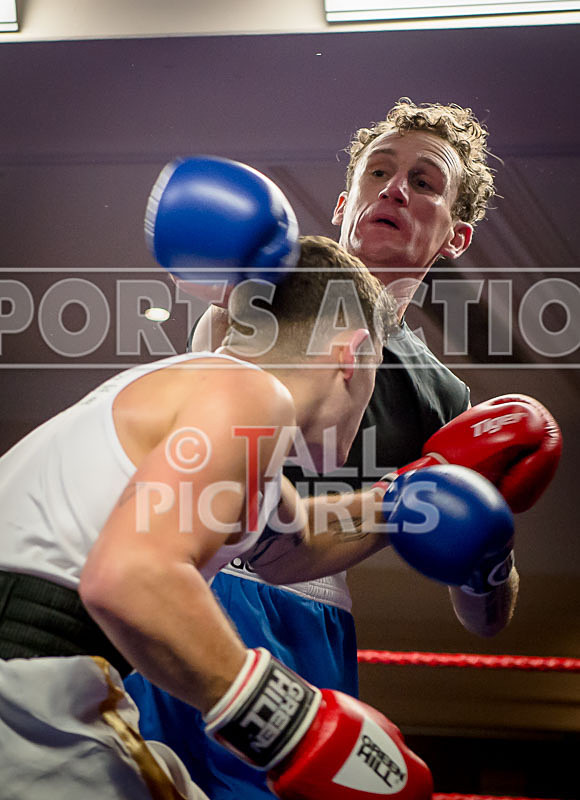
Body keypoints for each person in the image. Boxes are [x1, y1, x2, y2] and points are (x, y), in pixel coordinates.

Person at [125, 106, 561, 799]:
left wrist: (488, 553)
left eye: (423, 182)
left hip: (314, 618)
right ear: (344, 202)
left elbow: (485, 617)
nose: (393, 190)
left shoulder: (445, 395)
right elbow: (190, 458)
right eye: (378, 173)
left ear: (456, 235)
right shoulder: (262, 297)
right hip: (203, 580)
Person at [1, 200, 461, 800]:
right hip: (29, 686)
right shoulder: (250, 396)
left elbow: (294, 542)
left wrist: (407, 496)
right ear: (353, 355)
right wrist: (291, 722)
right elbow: (131, 576)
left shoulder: (206, 398)